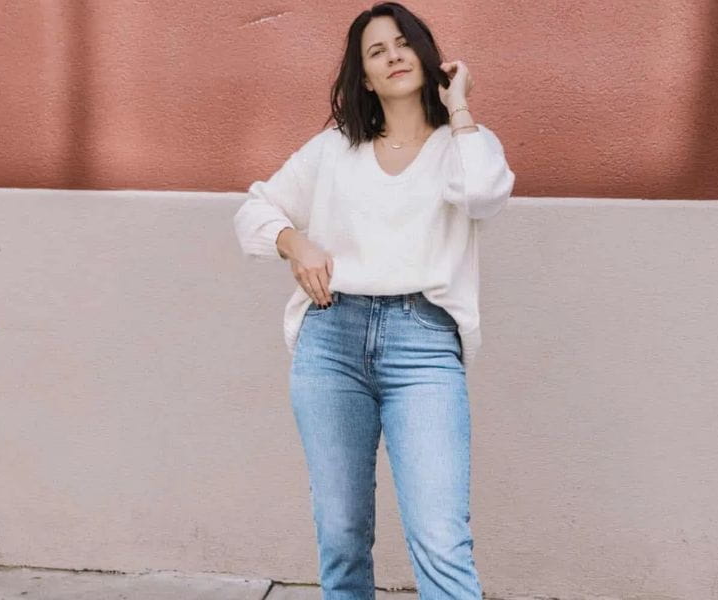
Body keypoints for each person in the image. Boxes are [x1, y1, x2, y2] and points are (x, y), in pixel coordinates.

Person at [233, 2, 515, 598]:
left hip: (425, 345)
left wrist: (459, 103)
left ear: (425, 54)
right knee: (340, 533)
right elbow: (255, 207)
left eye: (403, 43)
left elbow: (486, 194)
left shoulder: (463, 144)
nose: (393, 56)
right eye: (376, 51)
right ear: (364, 76)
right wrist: (295, 242)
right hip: (331, 342)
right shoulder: (335, 148)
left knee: (441, 539)